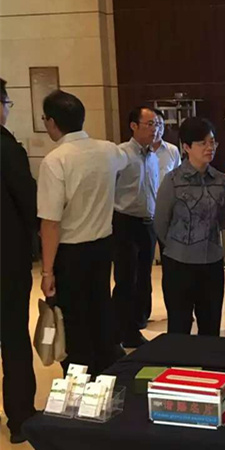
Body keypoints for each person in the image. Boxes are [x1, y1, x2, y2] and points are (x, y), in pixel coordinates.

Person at [37, 90, 128, 377]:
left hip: (70, 253)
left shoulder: (55, 160)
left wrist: (47, 272)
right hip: (102, 246)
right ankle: (105, 376)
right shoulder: (110, 151)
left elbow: (50, 223)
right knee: (100, 310)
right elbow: (126, 164)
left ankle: (80, 384)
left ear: (52, 122)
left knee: (74, 322)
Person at [154, 117, 225, 336]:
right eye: (202, 143)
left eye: (212, 142)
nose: (209, 147)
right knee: (179, 325)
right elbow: (161, 222)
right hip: (180, 263)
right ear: (186, 147)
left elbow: (223, 219)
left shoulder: (220, 180)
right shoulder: (173, 180)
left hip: (212, 261)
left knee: (211, 325)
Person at [0, 78, 37, 444]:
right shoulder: (8, 150)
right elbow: (29, 203)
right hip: (6, 261)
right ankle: (19, 417)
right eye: (7, 103)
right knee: (13, 338)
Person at [112, 107, 160, 347]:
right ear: (133, 126)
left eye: (157, 125)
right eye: (150, 124)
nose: (155, 129)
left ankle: (135, 326)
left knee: (143, 277)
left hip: (148, 223)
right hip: (125, 222)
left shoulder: (153, 156)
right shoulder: (121, 154)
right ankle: (119, 331)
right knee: (126, 279)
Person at [152, 109, 181, 185]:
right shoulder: (140, 149)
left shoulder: (172, 150)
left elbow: (178, 177)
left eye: (160, 124)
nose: (158, 129)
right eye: (155, 124)